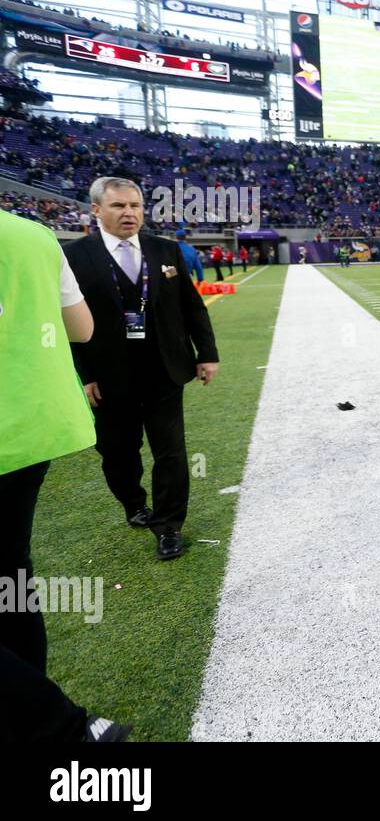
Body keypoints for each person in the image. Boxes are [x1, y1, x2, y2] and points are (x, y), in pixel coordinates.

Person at [0, 208, 130, 741]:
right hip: (35, 425)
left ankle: (60, 727)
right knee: (10, 576)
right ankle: (28, 705)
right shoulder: (32, 234)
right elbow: (82, 327)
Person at [63, 177, 220, 561]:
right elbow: (65, 323)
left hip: (164, 369)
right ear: (96, 210)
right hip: (108, 375)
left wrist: (207, 353)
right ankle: (134, 504)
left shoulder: (165, 250)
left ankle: (168, 526)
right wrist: (84, 377)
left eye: (135, 205)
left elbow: (192, 306)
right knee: (118, 453)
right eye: (118, 206)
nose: (129, 213)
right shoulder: (72, 255)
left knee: (171, 452)